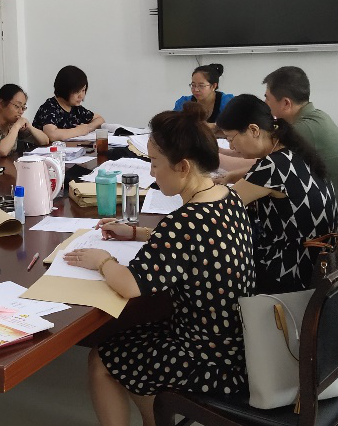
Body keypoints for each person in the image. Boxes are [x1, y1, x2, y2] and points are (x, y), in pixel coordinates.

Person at [64, 103, 255, 426]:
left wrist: (102, 260)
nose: (151, 173)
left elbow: (128, 284)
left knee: (102, 359)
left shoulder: (183, 223)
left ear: (182, 166)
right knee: (132, 353)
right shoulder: (227, 196)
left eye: (154, 163)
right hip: (236, 343)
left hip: (208, 358)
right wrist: (137, 232)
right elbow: (199, 244)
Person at [216, 94, 337, 293]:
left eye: (231, 138)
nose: (231, 147)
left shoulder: (272, 167)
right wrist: (230, 177)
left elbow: (220, 208)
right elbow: (264, 175)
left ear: (254, 130)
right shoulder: (293, 149)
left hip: (290, 269)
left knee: (218, 256)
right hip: (318, 260)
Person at [263, 66, 338, 231]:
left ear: (285, 103)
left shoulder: (302, 129)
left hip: (331, 228)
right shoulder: (317, 116)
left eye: (267, 98)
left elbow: (262, 162)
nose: (265, 104)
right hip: (331, 213)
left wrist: (218, 155)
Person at [0, 84, 49, 162]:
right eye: (17, 106)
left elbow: (45, 141)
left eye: (23, 107)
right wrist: (16, 126)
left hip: (4, 166)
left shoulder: (11, 123)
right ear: (1, 103)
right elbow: (2, 151)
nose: (21, 111)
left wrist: (29, 126)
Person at [32, 65, 105, 141]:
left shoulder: (76, 109)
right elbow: (51, 134)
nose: (81, 96)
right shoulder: (50, 107)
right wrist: (78, 131)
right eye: (77, 91)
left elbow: (100, 119)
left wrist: (88, 128)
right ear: (64, 90)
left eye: (83, 90)